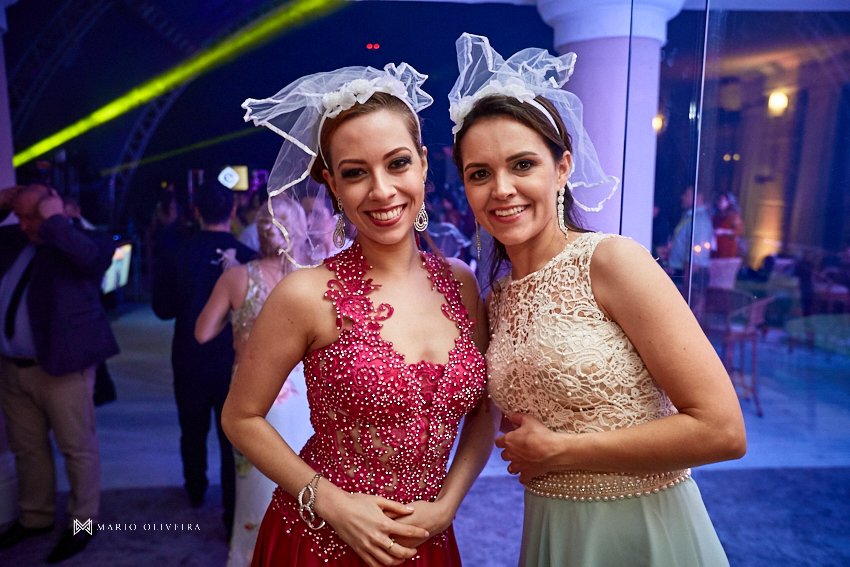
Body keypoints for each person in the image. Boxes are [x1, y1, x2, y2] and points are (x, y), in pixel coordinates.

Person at [449, 34, 747, 567]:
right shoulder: (495, 297)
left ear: (561, 169)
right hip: (552, 531)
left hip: (643, 530)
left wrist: (564, 451)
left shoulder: (613, 262)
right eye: (480, 174)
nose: (502, 189)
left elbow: (723, 430)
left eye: (522, 165)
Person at [223, 62, 496, 567]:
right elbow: (240, 417)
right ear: (332, 183)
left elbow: (483, 409)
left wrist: (447, 506)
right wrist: (331, 503)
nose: (382, 190)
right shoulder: (305, 294)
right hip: (323, 539)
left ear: (423, 165)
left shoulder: (459, 281)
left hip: (429, 536)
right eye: (355, 173)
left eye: (397, 164)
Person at [0, 184, 119, 563]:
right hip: (12, 370)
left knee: (77, 448)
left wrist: (51, 221)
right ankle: (35, 517)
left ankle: (84, 521)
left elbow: (91, 259)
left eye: (32, 216)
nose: (24, 225)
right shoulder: (15, 241)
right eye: (19, 217)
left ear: (57, 210)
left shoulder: (84, 241)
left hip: (62, 369)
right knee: (27, 448)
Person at [195, 196, 315, 567]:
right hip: (306, 396)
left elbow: (202, 333)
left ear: (259, 230)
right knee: (307, 484)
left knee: (257, 488)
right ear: (300, 231)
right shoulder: (311, 278)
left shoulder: (237, 277)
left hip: (254, 397)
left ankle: (254, 556)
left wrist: (237, 331)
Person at [152, 183, 258, 536]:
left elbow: (162, 310)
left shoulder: (177, 254)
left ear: (196, 212)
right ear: (232, 211)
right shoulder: (247, 256)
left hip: (189, 355)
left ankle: (195, 491)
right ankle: (232, 511)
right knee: (234, 438)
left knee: (192, 429)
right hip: (234, 361)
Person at [712, 192, 744, 259]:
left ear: (728, 202)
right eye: (719, 200)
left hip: (727, 250)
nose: (719, 202)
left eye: (722, 200)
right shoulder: (716, 216)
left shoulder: (733, 216)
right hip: (716, 249)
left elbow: (739, 231)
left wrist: (723, 231)